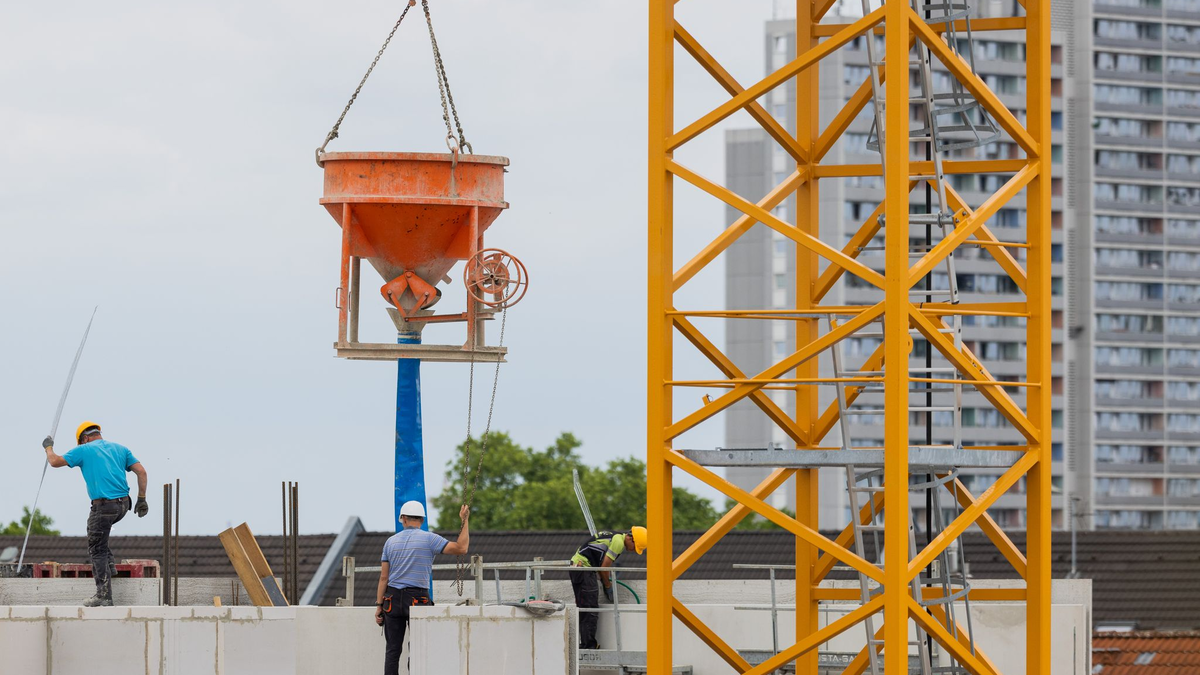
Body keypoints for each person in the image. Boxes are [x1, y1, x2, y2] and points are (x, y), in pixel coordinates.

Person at [42, 421, 148, 607]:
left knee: (96, 548)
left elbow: (54, 461)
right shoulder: (120, 449)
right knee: (96, 532)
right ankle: (110, 565)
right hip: (123, 505)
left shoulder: (84, 449)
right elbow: (142, 472)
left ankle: (104, 595)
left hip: (104, 507)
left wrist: (48, 447)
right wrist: (142, 499)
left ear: (85, 438)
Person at [376, 500, 470, 675]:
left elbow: (383, 578)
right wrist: (464, 520)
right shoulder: (430, 539)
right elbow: (461, 548)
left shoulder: (390, 542)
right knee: (418, 649)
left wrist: (379, 606)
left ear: (403, 518)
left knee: (392, 651)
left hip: (392, 600)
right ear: (422, 519)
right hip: (417, 599)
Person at [570, 526, 647, 650]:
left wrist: (605, 580)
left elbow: (602, 565)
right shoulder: (618, 542)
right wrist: (608, 585)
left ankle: (586, 644)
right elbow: (604, 567)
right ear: (630, 538)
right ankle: (588, 646)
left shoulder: (615, 536)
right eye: (635, 546)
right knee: (590, 608)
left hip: (580, 567)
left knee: (586, 607)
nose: (633, 550)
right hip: (583, 569)